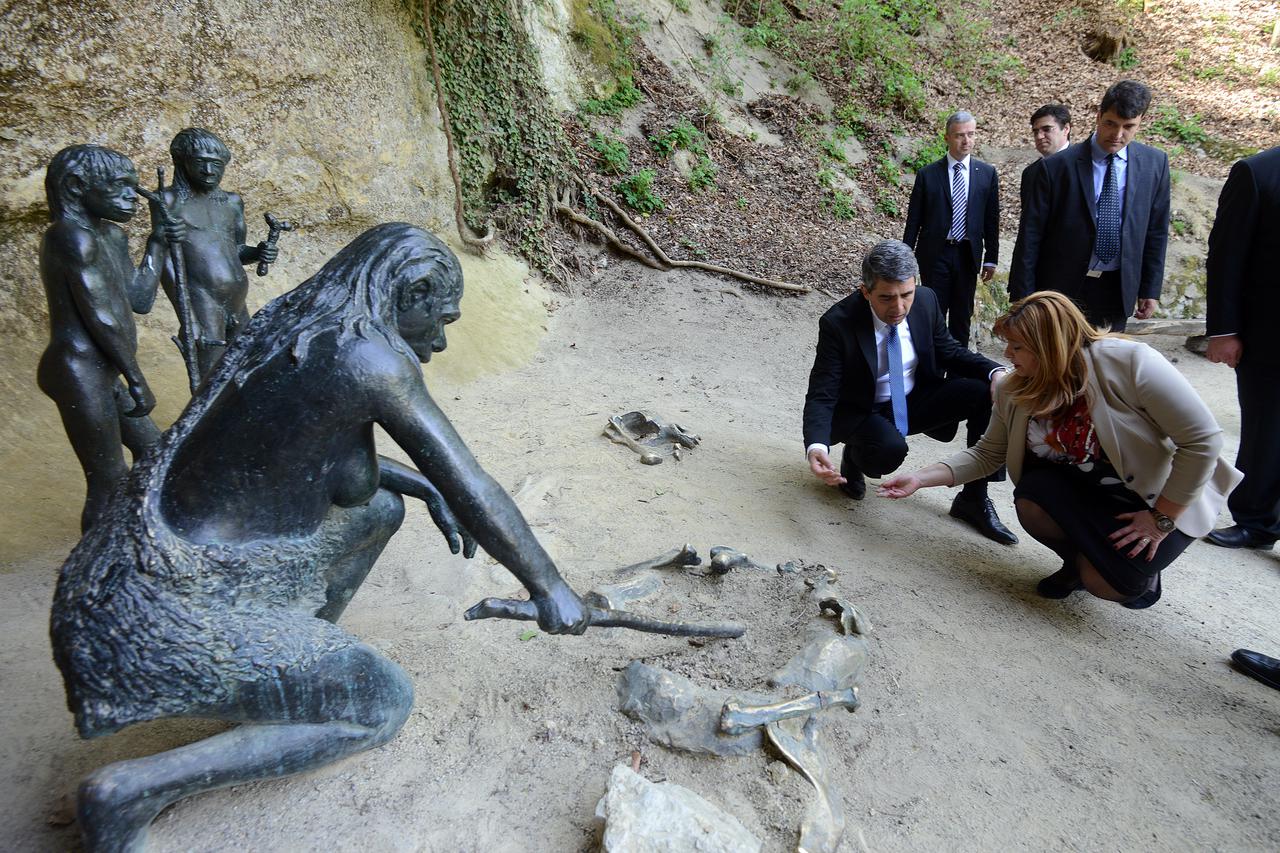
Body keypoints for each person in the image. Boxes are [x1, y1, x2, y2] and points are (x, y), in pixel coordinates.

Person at [50, 224, 589, 851]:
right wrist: (550, 587)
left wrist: (425, 487)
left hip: (145, 573)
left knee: (378, 510)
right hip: (159, 609)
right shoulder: (371, 359)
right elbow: (471, 480)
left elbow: (303, 453)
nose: (440, 342)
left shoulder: (294, 325)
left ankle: (291, 670)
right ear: (412, 293)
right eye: (440, 320)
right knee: (381, 703)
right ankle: (127, 795)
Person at [878, 292, 1240, 607]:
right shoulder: (1015, 387)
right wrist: (919, 479)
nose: (1006, 354)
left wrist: (1161, 519)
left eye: (1017, 346)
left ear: (1049, 346)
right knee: (1033, 495)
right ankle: (1080, 563)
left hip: (1156, 498)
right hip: (1090, 492)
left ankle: (1108, 569)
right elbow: (988, 453)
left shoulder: (1128, 362)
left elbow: (1203, 441)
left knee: (1115, 587)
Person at [803, 239, 1016, 544]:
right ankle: (856, 455)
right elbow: (822, 392)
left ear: (915, 284)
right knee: (888, 452)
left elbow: (949, 351)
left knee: (987, 392)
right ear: (865, 291)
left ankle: (973, 498)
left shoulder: (926, 300)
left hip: (912, 399)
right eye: (886, 298)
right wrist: (817, 447)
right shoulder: (838, 323)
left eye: (906, 295)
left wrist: (995, 371)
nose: (899, 307)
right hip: (864, 410)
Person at [38, 144, 180, 532]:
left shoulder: (112, 236)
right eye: (119, 186)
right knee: (108, 479)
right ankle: (96, 561)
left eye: (133, 187)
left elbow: (139, 299)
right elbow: (100, 318)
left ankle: (142, 533)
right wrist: (135, 377)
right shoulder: (69, 237)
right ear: (76, 186)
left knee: (154, 451)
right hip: (78, 370)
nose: (131, 197)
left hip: (104, 369)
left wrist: (157, 243)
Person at [1009, 81, 1171, 332]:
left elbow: (1156, 230)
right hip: (1061, 288)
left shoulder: (1154, 163)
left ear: (1141, 122)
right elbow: (1030, 235)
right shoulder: (1056, 167)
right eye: (1110, 124)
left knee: (1108, 356)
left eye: (1128, 127)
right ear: (1098, 116)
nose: (1117, 135)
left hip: (1117, 288)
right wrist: (1024, 296)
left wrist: (1150, 288)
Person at [148, 127, 277, 378]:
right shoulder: (168, 200)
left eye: (216, 164)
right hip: (202, 300)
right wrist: (188, 317)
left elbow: (237, 250)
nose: (209, 171)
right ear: (182, 162)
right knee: (210, 376)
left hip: (237, 298)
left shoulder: (231, 202)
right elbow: (166, 261)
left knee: (244, 370)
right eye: (200, 163)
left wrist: (259, 253)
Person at [1203, 146, 1280, 550]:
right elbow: (1226, 256)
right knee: (1266, 428)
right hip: (1268, 332)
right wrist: (1225, 330)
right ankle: (1256, 520)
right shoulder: (1257, 173)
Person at [903, 110, 999, 346]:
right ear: (947, 138)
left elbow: (991, 219)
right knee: (933, 313)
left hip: (967, 254)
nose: (966, 140)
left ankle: (958, 367)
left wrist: (991, 258)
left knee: (961, 316)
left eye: (971, 134)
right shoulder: (928, 174)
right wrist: (905, 257)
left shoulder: (986, 174)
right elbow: (914, 219)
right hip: (935, 253)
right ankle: (932, 364)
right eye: (959, 135)